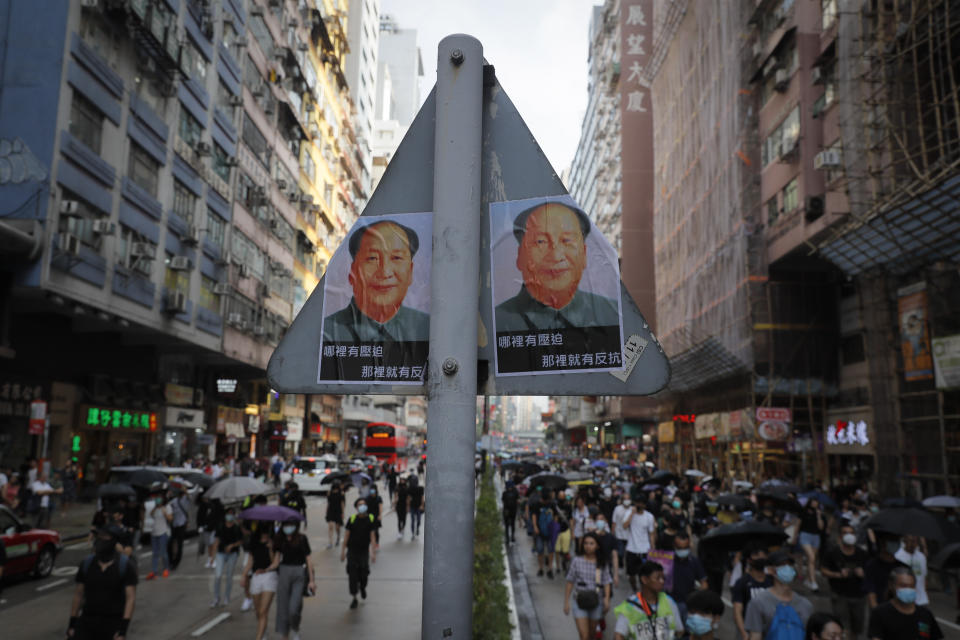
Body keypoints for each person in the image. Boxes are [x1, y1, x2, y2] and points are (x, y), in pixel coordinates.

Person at [495, 201, 619, 331]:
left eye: (567, 240)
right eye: (540, 242)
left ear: (584, 255)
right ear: (520, 256)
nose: (555, 256)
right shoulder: (495, 322)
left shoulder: (612, 315)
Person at [322, 220, 429, 342]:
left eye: (397, 258)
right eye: (372, 258)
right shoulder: (327, 333)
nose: (385, 272)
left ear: (410, 271)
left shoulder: (427, 328)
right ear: (352, 273)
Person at [67, 525, 137, 640]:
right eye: (98, 536)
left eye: (105, 537)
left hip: (112, 624)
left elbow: (130, 598)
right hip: (87, 621)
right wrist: (72, 623)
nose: (100, 540)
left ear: (114, 540)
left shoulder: (125, 566)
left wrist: (123, 630)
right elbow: (78, 594)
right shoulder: (87, 563)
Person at [744, 550, 813, 640]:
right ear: (770, 570)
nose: (787, 568)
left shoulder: (806, 605)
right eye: (782, 565)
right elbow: (755, 636)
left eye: (789, 565)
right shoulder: (758, 603)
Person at [866, 566, 943, 640]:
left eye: (911, 586)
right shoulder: (880, 613)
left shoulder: (925, 614)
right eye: (903, 585)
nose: (908, 589)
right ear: (891, 586)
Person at [612, 561, 683, 639]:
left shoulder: (669, 601)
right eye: (658, 578)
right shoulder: (629, 607)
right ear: (644, 579)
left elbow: (679, 630)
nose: (662, 581)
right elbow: (618, 635)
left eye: (663, 578)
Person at [821, 522, 868, 639]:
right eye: (845, 533)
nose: (849, 535)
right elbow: (823, 570)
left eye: (851, 533)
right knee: (842, 626)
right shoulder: (832, 553)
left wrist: (863, 574)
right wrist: (838, 575)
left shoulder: (862, 553)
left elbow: (870, 572)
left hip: (859, 596)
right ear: (840, 536)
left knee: (857, 628)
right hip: (839, 595)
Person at [563, 532, 613, 640]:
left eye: (591, 543)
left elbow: (606, 582)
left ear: (597, 545)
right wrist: (566, 602)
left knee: (592, 634)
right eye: (586, 543)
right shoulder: (577, 561)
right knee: (584, 635)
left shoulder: (602, 563)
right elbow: (570, 581)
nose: (588, 546)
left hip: (596, 601)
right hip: (579, 600)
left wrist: (606, 599)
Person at [274, 520, 315, 640]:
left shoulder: (302, 539)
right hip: (284, 573)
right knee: (282, 607)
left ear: (296, 526)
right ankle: (284, 634)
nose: (288, 527)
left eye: (290, 525)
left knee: (294, 608)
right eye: (286, 525)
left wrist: (311, 580)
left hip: (299, 574)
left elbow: (308, 559)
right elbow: (276, 561)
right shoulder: (280, 540)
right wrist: (265, 570)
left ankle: (295, 628)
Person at [341, 497, 378, 609]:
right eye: (359, 505)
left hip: (363, 552)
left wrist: (373, 552)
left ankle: (362, 587)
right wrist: (343, 552)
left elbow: (372, 537)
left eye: (364, 504)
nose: (362, 506)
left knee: (364, 573)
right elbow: (346, 536)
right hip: (352, 551)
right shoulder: (352, 519)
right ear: (356, 508)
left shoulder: (370, 519)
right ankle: (354, 598)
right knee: (352, 575)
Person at [241, 527, 277, 640]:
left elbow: (275, 562)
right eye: (263, 531)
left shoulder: (274, 543)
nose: (265, 534)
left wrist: (271, 548)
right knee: (258, 612)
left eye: (266, 531)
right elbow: (250, 561)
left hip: (270, 576)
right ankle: (263, 632)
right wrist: (244, 575)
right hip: (256, 577)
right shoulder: (254, 543)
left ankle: (259, 637)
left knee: (263, 610)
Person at [732, 542, 773, 640]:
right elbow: (737, 611)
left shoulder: (772, 581)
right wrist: (744, 634)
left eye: (764, 554)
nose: (761, 558)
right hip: (749, 631)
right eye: (756, 555)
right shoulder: (742, 583)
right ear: (749, 560)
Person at [669, 532, 707, 623]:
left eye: (685, 548)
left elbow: (704, 583)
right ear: (674, 546)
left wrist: (696, 595)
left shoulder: (694, 561)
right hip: (669, 603)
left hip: (688, 604)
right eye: (679, 548)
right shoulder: (666, 560)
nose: (682, 551)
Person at [863, 534, 908, 609]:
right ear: (882, 543)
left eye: (897, 540)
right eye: (892, 540)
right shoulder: (872, 566)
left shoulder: (903, 567)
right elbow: (870, 593)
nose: (895, 544)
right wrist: (878, 614)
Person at [210, 507, 243, 607]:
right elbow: (216, 541)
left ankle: (227, 597)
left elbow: (241, 541)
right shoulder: (220, 527)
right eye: (228, 513)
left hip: (233, 554)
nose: (230, 515)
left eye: (232, 513)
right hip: (221, 553)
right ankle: (216, 598)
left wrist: (232, 546)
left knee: (229, 576)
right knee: (218, 576)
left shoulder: (237, 528)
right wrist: (212, 557)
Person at [623, 497, 656, 591]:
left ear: (645, 505)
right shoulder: (629, 513)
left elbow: (651, 533)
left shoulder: (649, 516)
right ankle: (634, 590)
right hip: (631, 549)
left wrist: (652, 547)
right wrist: (631, 514)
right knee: (631, 575)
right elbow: (624, 526)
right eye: (638, 503)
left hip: (645, 550)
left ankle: (643, 591)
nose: (639, 505)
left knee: (645, 574)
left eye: (642, 503)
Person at [797, 498, 825, 591]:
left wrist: (818, 516)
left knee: (812, 560)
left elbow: (821, 527)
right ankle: (813, 582)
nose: (814, 503)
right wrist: (794, 537)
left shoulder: (819, 513)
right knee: (812, 557)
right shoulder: (804, 512)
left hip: (816, 537)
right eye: (813, 502)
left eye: (816, 502)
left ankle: (808, 579)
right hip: (805, 535)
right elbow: (798, 524)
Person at [894, 534, 929, 607]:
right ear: (905, 541)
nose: (913, 544)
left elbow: (924, 577)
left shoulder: (922, 557)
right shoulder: (898, 556)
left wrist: (925, 592)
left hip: (921, 600)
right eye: (911, 541)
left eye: (915, 541)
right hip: (904, 600)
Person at [532, 488, 559, 579]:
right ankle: (541, 568)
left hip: (550, 532)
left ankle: (550, 569)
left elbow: (556, 515)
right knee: (540, 550)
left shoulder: (552, 504)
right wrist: (535, 526)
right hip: (540, 531)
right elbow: (534, 515)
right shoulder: (536, 504)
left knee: (551, 550)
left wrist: (554, 525)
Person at [145, 493, 172, 580]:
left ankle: (166, 568)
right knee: (155, 553)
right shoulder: (155, 508)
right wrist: (155, 508)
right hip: (154, 533)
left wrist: (165, 513)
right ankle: (154, 571)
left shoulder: (167, 507)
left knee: (163, 552)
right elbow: (151, 515)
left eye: (159, 498)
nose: (158, 500)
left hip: (163, 532)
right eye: (157, 498)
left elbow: (171, 519)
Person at [167, 490, 190, 570]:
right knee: (170, 544)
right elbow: (168, 508)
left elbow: (189, 497)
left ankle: (176, 563)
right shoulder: (173, 501)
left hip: (181, 525)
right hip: (174, 525)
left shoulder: (185, 499)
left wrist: (185, 489)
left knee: (180, 544)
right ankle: (170, 561)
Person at [326, 480, 346, 549]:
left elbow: (342, 504)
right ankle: (330, 542)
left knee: (337, 527)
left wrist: (343, 513)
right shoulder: (329, 493)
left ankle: (338, 537)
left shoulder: (341, 493)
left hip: (338, 511)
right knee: (330, 526)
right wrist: (326, 512)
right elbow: (328, 503)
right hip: (331, 511)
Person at [501, 480, 519, 545]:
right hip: (512, 510)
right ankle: (511, 536)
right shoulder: (515, 492)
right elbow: (517, 500)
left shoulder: (505, 493)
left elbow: (503, 501)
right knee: (511, 524)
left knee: (508, 525)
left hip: (507, 510)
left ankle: (508, 537)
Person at [408, 474, 425, 539]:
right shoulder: (410, 489)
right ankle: (413, 533)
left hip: (418, 506)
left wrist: (422, 505)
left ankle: (417, 528)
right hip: (412, 506)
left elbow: (422, 497)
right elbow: (408, 498)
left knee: (418, 520)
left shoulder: (420, 488)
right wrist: (408, 506)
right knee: (412, 520)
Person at [395, 475, 410, 540]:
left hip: (404, 505)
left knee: (404, 519)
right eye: (401, 480)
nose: (402, 481)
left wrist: (408, 506)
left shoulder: (407, 488)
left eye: (403, 480)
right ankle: (399, 531)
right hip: (398, 505)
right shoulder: (397, 487)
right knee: (399, 519)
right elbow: (395, 495)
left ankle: (403, 528)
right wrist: (395, 502)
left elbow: (408, 498)